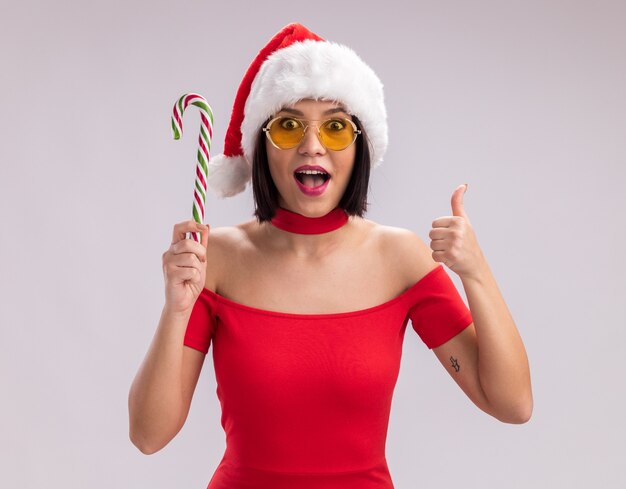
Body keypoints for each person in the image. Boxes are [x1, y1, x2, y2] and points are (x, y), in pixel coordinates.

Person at [128, 23, 533, 489]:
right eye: (288, 125)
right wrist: (176, 309)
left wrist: (475, 273)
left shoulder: (400, 258)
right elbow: (148, 435)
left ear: (360, 145)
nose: (312, 144)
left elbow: (512, 404)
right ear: (261, 145)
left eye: (336, 127)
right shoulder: (213, 258)